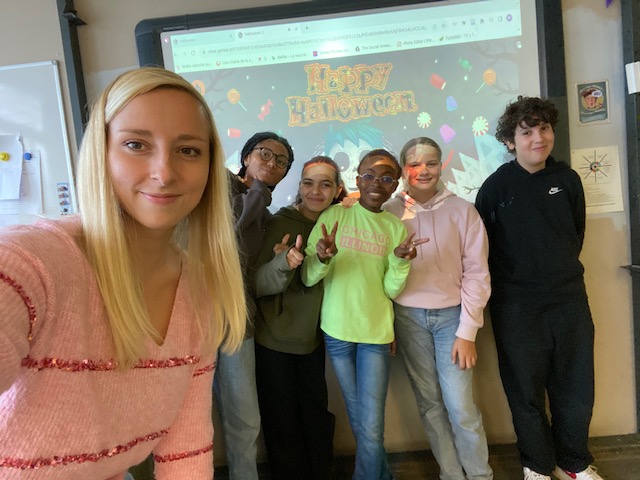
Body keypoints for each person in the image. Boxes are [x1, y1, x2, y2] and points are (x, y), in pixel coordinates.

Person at [0, 67, 246, 479]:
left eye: (188, 150)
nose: (164, 172)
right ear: (101, 153)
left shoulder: (200, 293)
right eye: (136, 144)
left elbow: (185, 450)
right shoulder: (29, 264)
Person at [474, 96, 602, 480]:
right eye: (526, 132)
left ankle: (573, 463)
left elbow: (575, 235)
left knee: (576, 387)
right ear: (510, 141)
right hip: (516, 306)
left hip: (568, 299)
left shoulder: (568, 180)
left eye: (544, 129)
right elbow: (482, 250)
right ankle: (537, 465)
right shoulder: (495, 188)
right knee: (525, 391)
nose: (538, 139)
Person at [301, 149, 424, 480]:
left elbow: (391, 290)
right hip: (337, 333)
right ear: (357, 179)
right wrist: (322, 258)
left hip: (375, 336)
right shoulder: (334, 216)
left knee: (370, 424)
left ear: (395, 186)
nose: (376, 184)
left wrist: (400, 261)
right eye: (369, 175)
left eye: (386, 178)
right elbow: (308, 277)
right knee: (362, 422)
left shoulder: (394, 227)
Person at [384, 137, 493, 480]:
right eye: (414, 163)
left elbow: (477, 272)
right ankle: (451, 474)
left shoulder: (462, 210)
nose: (423, 170)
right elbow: (378, 274)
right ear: (403, 170)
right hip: (407, 319)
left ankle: (480, 475)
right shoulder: (388, 212)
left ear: (441, 165)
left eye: (431, 162)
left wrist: (467, 331)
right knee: (430, 405)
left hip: (452, 319)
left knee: (461, 407)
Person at [253, 156, 344, 480]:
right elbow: (257, 283)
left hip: (315, 339)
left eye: (325, 184)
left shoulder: (343, 223)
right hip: (275, 340)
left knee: (315, 418)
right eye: (308, 183)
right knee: (282, 422)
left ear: (338, 189)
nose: (316, 191)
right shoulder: (281, 223)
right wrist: (284, 263)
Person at [214, 131, 293, 480]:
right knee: (186, 415)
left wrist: (280, 263)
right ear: (246, 157)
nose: (272, 163)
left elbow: (252, 277)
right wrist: (259, 191)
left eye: (282, 161)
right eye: (265, 154)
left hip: (238, 321)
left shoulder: (265, 212)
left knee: (245, 417)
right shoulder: (216, 186)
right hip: (195, 316)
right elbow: (231, 229)